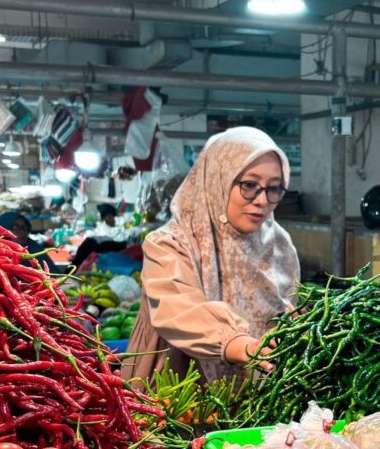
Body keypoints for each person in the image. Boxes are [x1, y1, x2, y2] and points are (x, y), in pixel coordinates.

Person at [122, 127, 299, 383]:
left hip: (257, 392)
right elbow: (179, 309)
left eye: (274, 188)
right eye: (250, 185)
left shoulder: (279, 245)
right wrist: (238, 344)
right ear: (218, 179)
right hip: (179, 390)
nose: (262, 200)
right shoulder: (169, 244)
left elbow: (287, 309)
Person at [70, 204, 126, 270]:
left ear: (108, 216)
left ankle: (73, 267)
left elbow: (108, 239)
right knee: (87, 245)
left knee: (88, 243)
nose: (97, 214)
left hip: (109, 249)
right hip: (105, 248)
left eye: (99, 213)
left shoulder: (116, 229)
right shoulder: (105, 226)